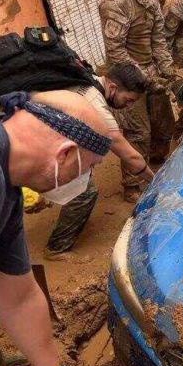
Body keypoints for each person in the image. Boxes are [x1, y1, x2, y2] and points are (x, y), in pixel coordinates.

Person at [0, 90, 112, 366]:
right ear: (66, 154)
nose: (82, 182)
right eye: (86, 170)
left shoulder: (4, 182)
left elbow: (18, 295)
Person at [44, 64, 153, 258]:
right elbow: (130, 156)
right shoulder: (96, 106)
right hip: (34, 143)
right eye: (128, 100)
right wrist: (155, 181)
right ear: (112, 87)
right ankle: (56, 248)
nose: (129, 106)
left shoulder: (90, 80)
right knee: (85, 192)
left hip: (40, 131)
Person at [99, 0, 177, 203]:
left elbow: (159, 42)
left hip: (150, 72)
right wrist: (146, 79)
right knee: (137, 133)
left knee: (164, 122)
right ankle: (132, 185)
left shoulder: (152, 0)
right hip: (127, 79)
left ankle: (153, 164)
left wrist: (169, 73)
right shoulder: (115, 1)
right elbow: (116, 52)